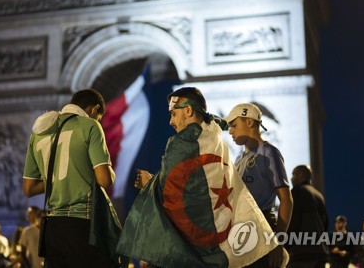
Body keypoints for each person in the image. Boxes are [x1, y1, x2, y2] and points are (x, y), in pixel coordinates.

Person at [117, 87, 280, 267]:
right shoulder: (215, 136)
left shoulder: (182, 142)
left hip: (192, 248)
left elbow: (169, 192)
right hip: (220, 240)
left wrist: (149, 182)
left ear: (188, 110)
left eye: (173, 114)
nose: (171, 121)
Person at [23, 89, 117, 268]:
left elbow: (29, 188)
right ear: (94, 109)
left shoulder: (39, 132)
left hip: (53, 228)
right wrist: (108, 171)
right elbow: (104, 180)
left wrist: (57, 179)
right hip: (82, 224)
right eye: (99, 117)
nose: (97, 122)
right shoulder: (90, 125)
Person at [225, 103, 293, 268]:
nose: (230, 131)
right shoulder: (239, 159)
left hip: (263, 227)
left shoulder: (269, 152)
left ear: (249, 122)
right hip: (240, 231)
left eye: (234, 125)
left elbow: (286, 199)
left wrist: (278, 244)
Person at [287, 165, 329, 267]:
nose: (291, 178)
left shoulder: (296, 192)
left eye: (293, 174)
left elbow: (293, 222)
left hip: (301, 254)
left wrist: (285, 246)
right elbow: (325, 223)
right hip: (319, 253)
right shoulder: (319, 195)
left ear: (300, 175)